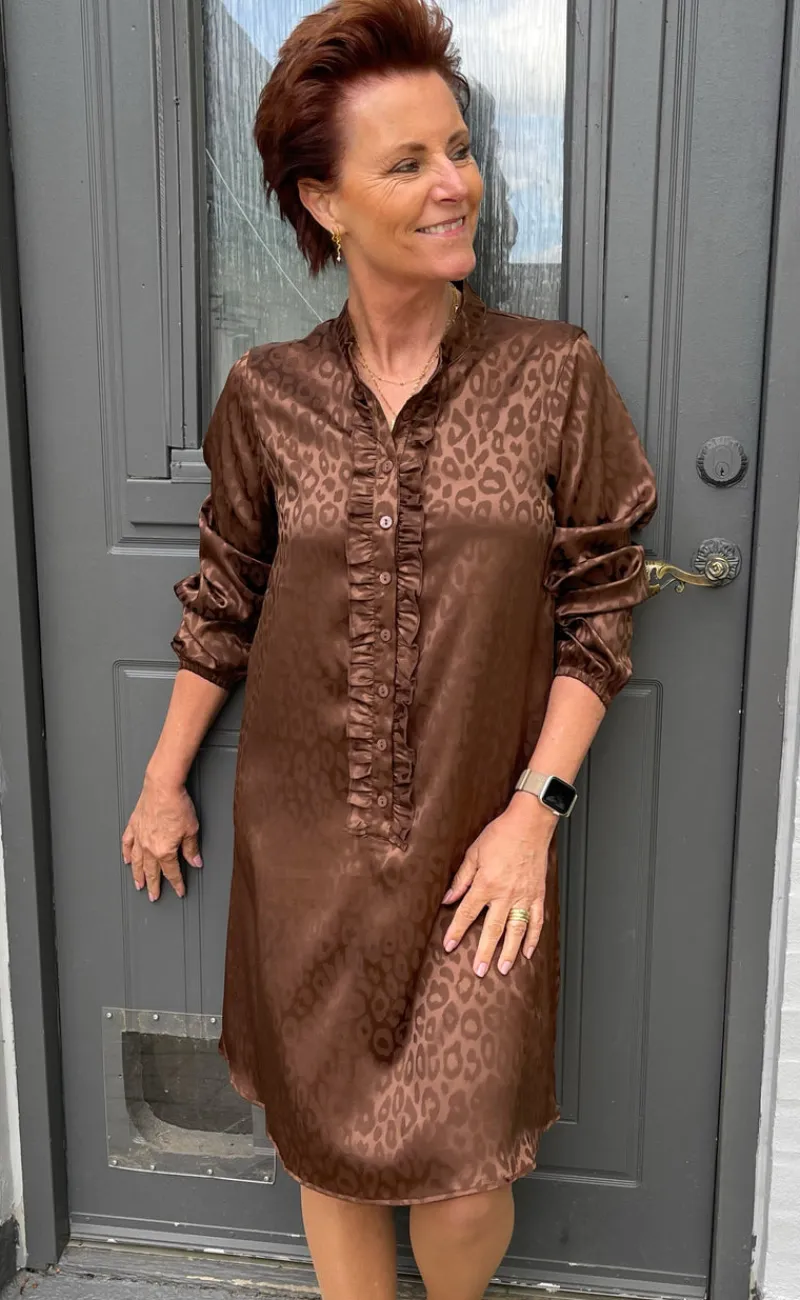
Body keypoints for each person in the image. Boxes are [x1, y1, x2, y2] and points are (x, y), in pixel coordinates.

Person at [121, 1, 658, 1296]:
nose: (454, 184)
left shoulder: (552, 377)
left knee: (470, 1166)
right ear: (325, 202)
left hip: (483, 844)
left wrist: (534, 814)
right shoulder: (269, 395)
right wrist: (161, 778)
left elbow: (602, 603)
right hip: (306, 849)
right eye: (407, 162)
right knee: (329, 1146)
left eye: (459, 149)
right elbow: (227, 596)